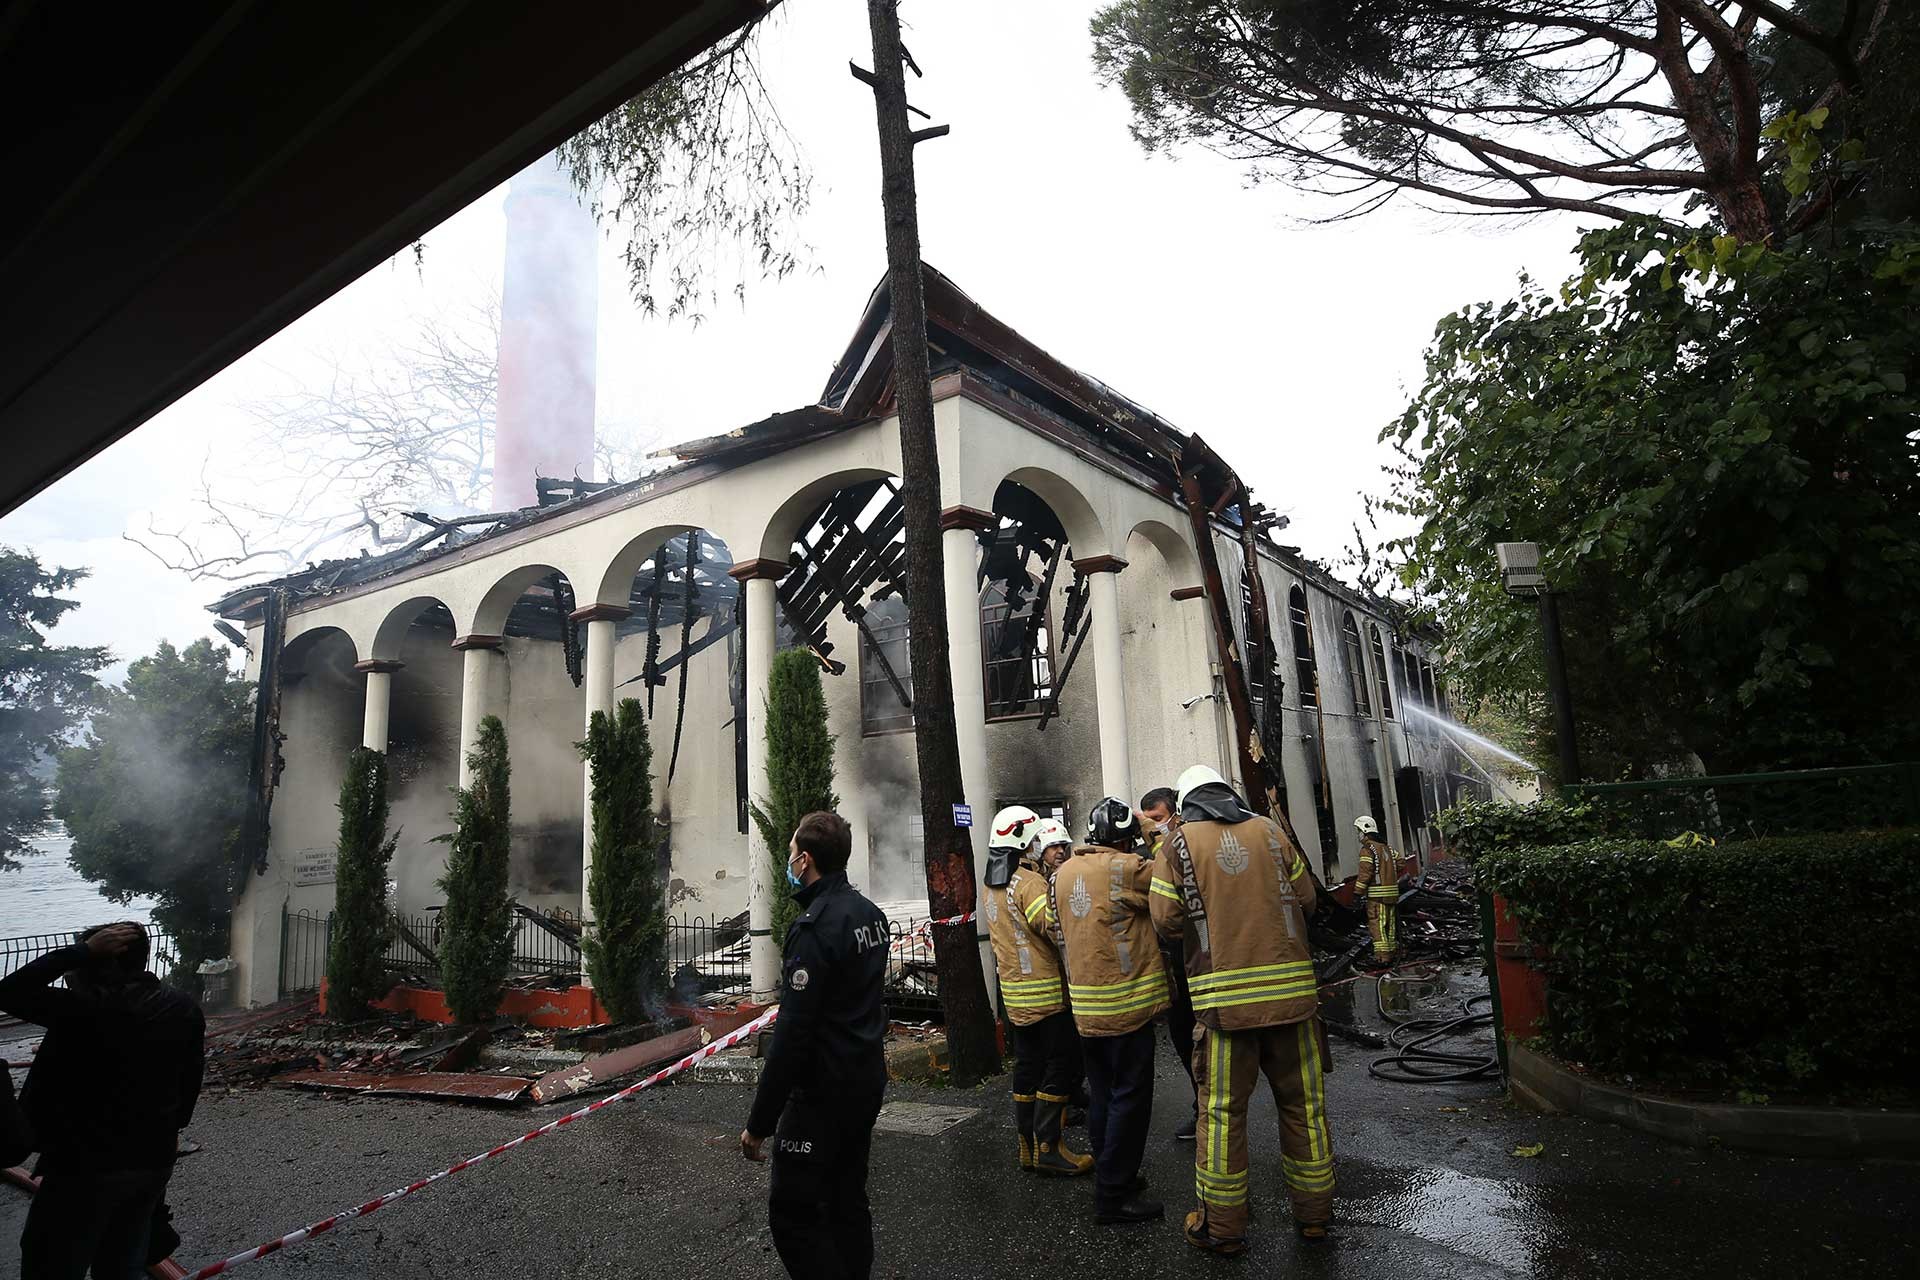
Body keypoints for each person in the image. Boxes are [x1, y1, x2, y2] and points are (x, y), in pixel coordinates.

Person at [1151, 766, 1335, 1255]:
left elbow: (1166, 920)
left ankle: (1222, 1228)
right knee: (1305, 1109)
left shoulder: (1177, 845)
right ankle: (1315, 1217)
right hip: (1294, 1002)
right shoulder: (1270, 831)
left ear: (1186, 803)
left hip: (1225, 1011)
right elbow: (1308, 899)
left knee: (1222, 1116)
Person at [0, 921, 204, 1280]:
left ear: (99, 963)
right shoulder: (182, 1006)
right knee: (123, 1264)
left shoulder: (83, 1008)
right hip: (152, 1158)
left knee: (52, 1264)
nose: (69, 977)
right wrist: (172, 1130)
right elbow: (189, 1083)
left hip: (85, 1164)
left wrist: (79, 951)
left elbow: (8, 991)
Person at [741, 812, 891, 1280]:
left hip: (823, 1095)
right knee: (848, 1198)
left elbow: (792, 1036)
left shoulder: (814, 929)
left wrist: (759, 1124)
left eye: (790, 855)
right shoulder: (870, 914)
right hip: (864, 1082)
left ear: (805, 861)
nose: (789, 863)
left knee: (794, 1216)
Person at [1046, 799, 1169, 1225]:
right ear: (1124, 838)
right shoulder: (1127, 868)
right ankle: (1113, 1196)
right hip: (1127, 1006)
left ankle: (1112, 1174)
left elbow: (1052, 924)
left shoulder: (1060, 874)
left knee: (1103, 1095)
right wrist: (1154, 830)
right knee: (1130, 1101)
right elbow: (1173, 881)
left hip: (1085, 1009)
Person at [983, 809, 1091, 1176]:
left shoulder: (992, 883)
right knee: (1063, 1064)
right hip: (1046, 995)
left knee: (1027, 1066)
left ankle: (1027, 1147)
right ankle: (1050, 1148)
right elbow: (1051, 926)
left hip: (1015, 995)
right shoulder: (1026, 881)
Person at [1139, 786, 1197, 1143]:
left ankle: (1208, 1110)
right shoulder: (1147, 849)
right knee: (1182, 1034)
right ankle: (1201, 1105)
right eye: (1151, 821)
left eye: (1160, 819)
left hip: (1194, 954)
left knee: (1200, 1036)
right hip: (1173, 961)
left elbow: (1175, 872)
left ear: (1176, 814)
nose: (1156, 827)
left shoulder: (1186, 843)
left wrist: (1155, 836)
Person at [1353, 815, 1402, 965]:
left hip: (1377, 897)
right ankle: (1392, 953)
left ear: (1365, 830)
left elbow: (1365, 874)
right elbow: (1400, 863)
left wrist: (1357, 894)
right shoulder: (1387, 847)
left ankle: (1382, 957)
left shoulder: (1367, 850)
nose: (1358, 834)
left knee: (1378, 925)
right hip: (1392, 895)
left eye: (1358, 831)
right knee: (1390, 925)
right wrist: (1387, 873)